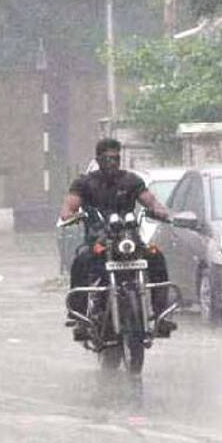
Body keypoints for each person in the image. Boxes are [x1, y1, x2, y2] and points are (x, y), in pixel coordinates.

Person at [58, 138, 175, 337]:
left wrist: (161, 211)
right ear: (98, 159)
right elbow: (69, 206)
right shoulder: (84, 183)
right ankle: (79, 317)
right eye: (107, 158)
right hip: (99, 241)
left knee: (156, 256)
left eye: (116, 158)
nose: (112, 162)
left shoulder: (131, 180)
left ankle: (161, 314)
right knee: (81, 261)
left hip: (129, 240)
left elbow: (151, 201)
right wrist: (70, 215)